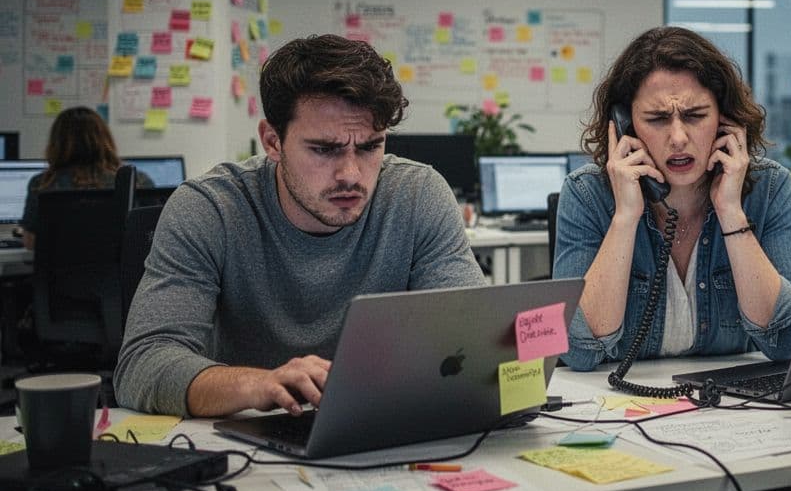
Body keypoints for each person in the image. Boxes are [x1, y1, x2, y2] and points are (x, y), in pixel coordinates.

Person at [115, 34, 486, 418]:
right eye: (324, 150)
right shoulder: (210, 209)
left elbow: (475, 343)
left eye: (370, 147)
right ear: (272, 142)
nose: (350, 174)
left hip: (380, 424)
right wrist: (259, 384)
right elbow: (143, 364)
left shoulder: (417, 196)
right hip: (247, 439)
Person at [553, 25, 791, 491]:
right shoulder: (588, 197)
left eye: (694, 116)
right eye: (656, 119)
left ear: (725, 121)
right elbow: (581, 347)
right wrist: (627, 214)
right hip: (629, 430)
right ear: (625, 127)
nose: (677, 137)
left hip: (738, 428)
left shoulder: (768, 191)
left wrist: (731, 211)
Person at [20, 106, 153, 250]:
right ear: (105, 140)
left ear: (57, 143)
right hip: (120, 271)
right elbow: (153, 235)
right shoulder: (137, 181)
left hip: (62, 270)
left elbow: (30, 242)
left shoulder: (43, 183)